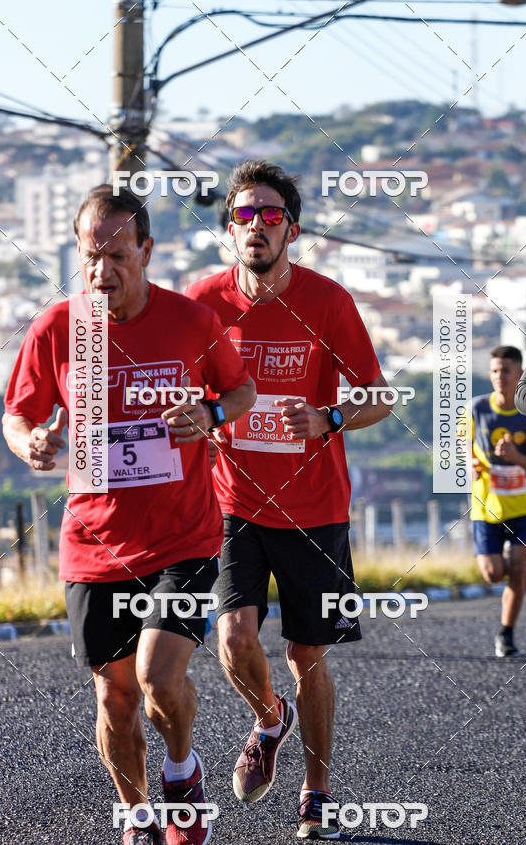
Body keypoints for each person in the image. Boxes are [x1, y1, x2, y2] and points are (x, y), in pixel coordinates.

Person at [2, 185, 255, 845]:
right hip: (94, 542)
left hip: (184, 536)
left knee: (156, 678)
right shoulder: (61, 326)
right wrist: (29, 441)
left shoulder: (190, 321)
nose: (102, 272)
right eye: (91, 257)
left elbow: (241, 389)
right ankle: (139, 817)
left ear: (147, 251)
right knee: (114, 697)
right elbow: (18, 413)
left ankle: (182, 771)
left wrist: (211, 415)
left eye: (118, 256)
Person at [186, 160, 392, 840]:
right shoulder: (204, 302)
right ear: (229, 228)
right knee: (233, 636)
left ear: (291, 230)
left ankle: (318, 792)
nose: (256, 225)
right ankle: (269, 718)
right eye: (244, 214)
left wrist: (331, 418)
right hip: (233, 503)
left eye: (270, 215)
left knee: (309, 656)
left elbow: (379, 396)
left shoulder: (328, 301)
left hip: (316, 509)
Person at [470, 345, 526, 658]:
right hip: (486, 507)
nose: (499, 377)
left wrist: (517, 458)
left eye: (506, 371)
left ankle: (506, 635)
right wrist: (467, 463)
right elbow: (454, 452)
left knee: (518, 566)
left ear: (520, 374)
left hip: (524, 507)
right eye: (494, 370)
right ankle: (518, 575)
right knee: (493, 575)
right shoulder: (476, 409)